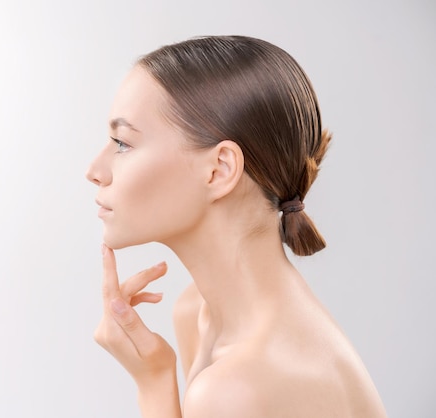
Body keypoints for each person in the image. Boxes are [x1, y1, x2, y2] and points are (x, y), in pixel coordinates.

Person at [85, 36, 387, 417]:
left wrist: (153, 383)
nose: (94, 171)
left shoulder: (239, 386)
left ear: (220, 169)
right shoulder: (197, 312)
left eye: (123, 143)